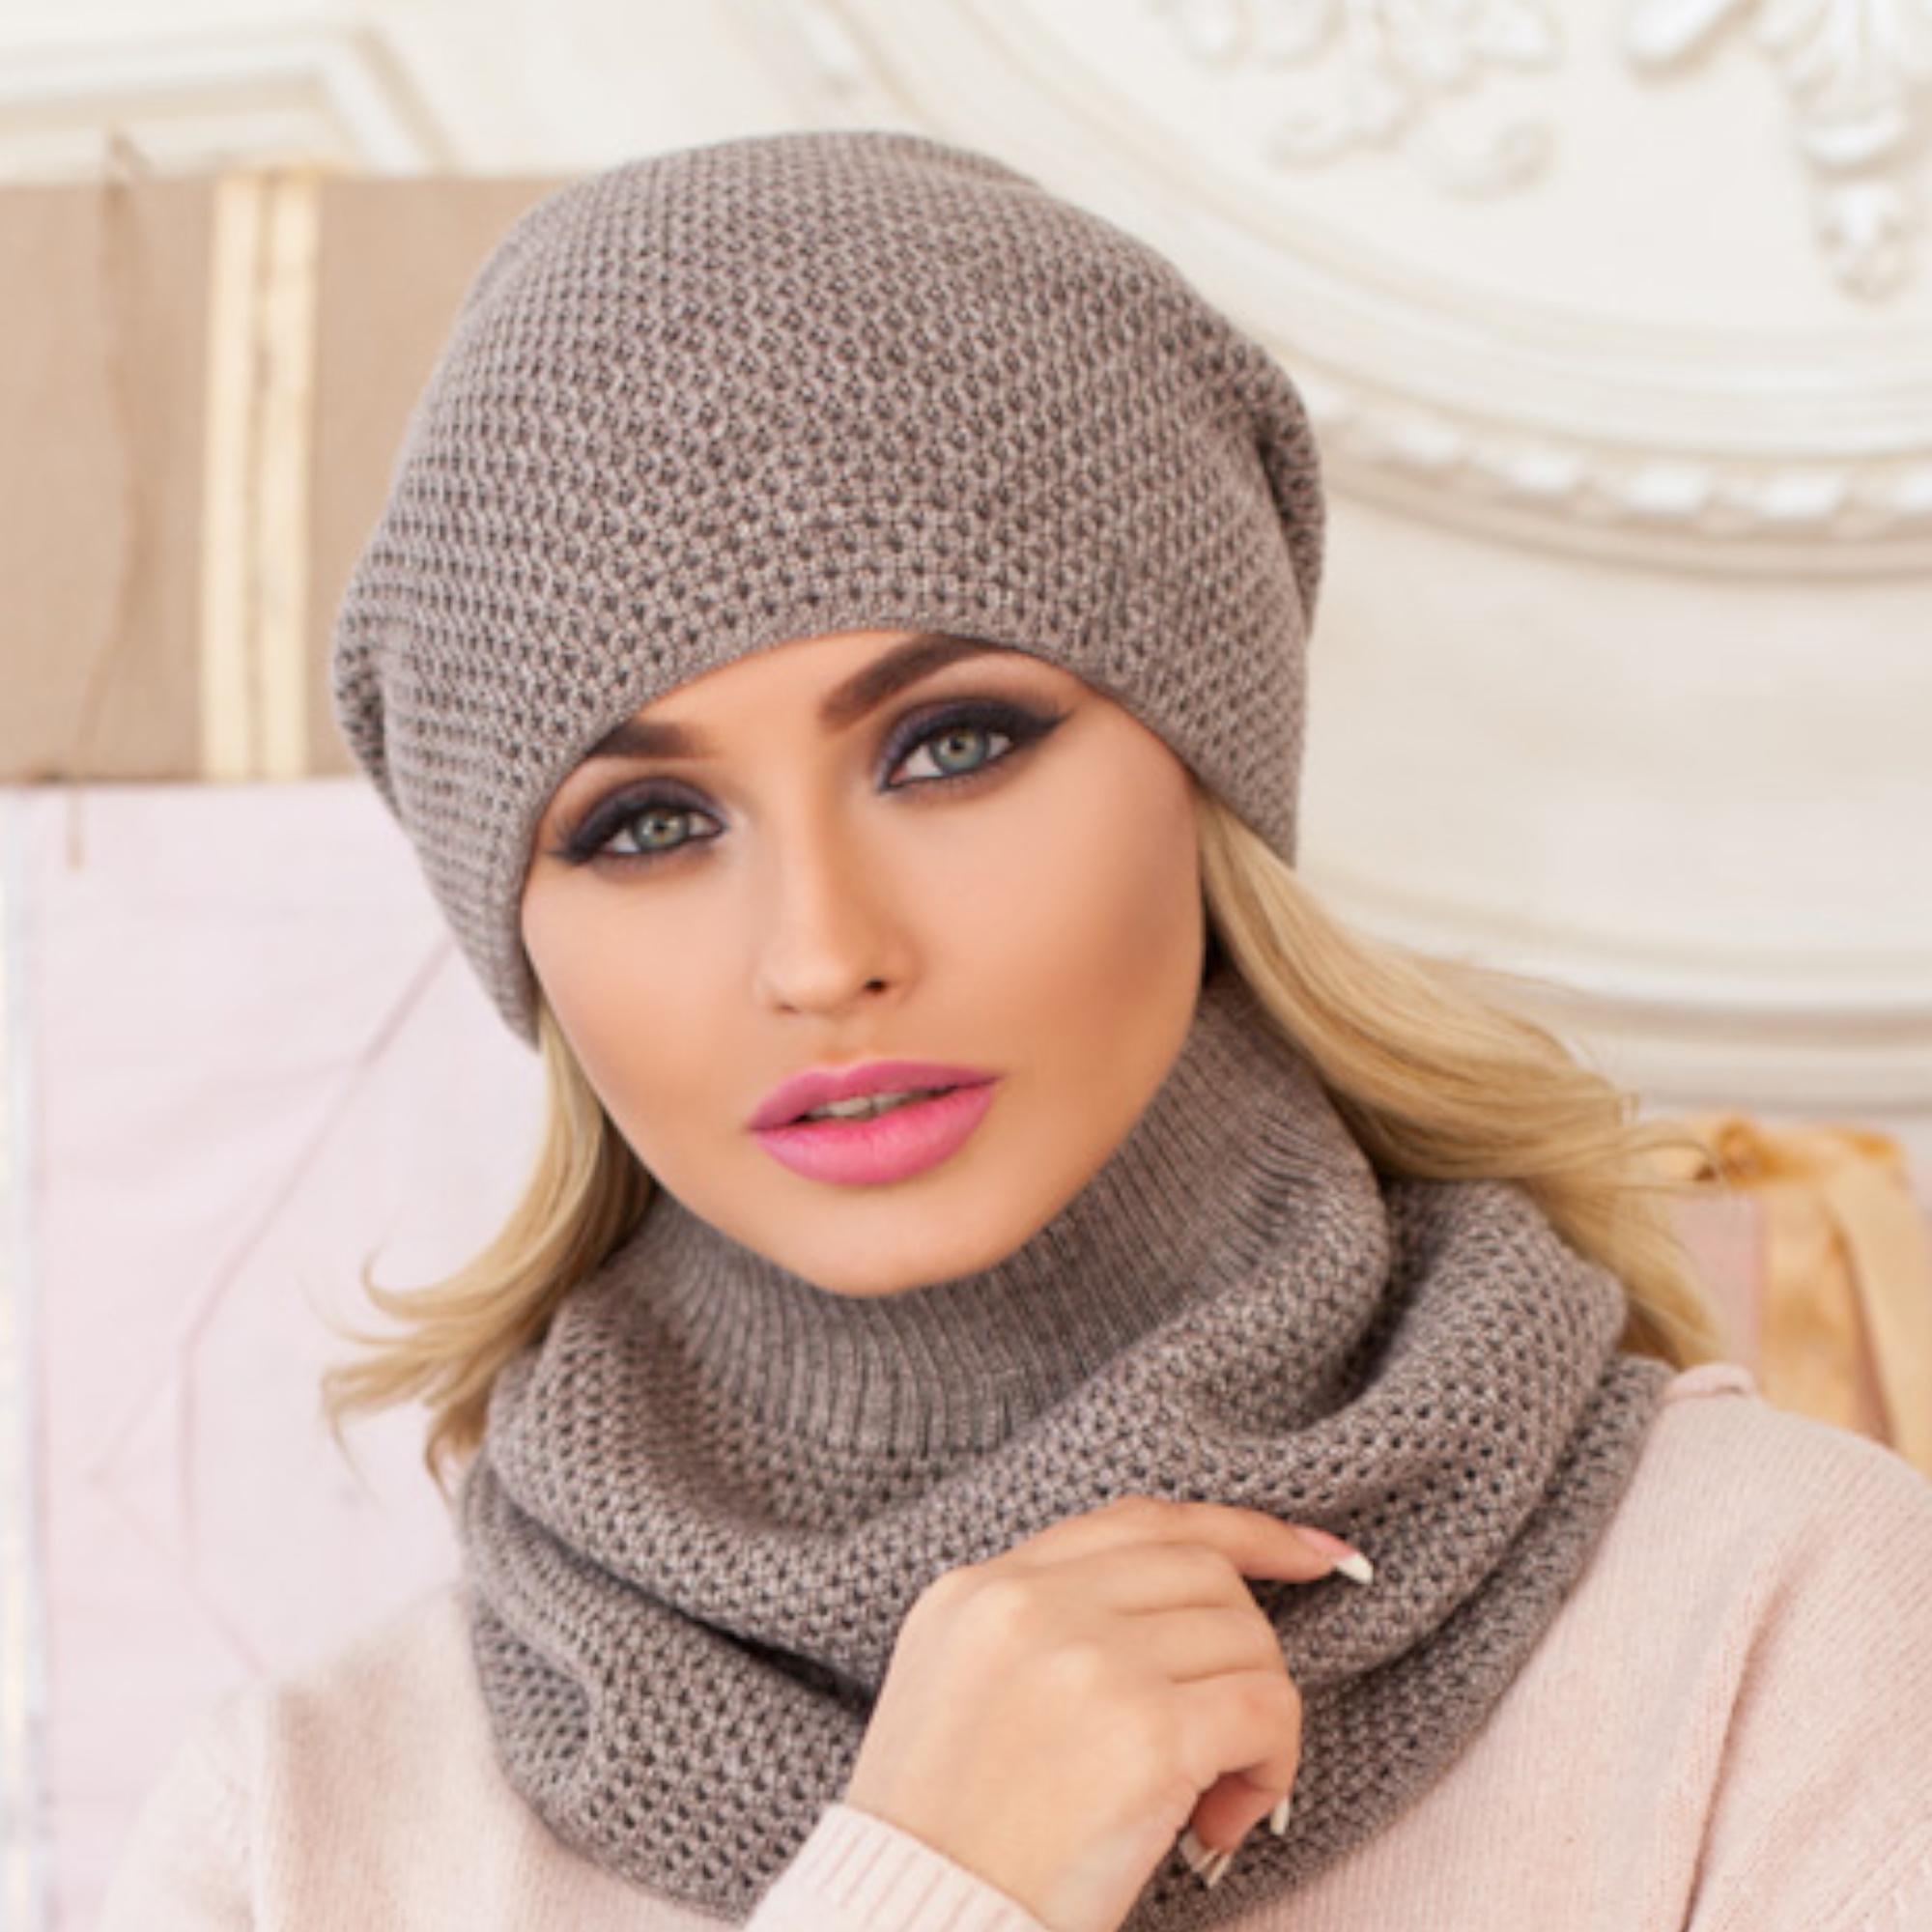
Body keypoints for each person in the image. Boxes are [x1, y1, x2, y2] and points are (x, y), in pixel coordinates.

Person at [101, 128, 1932, 1932]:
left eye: (951, 745)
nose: (824, 954)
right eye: (646, 826)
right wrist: (936, 1878)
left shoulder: (1777, 1626)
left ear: (1206, 763)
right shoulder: (299, 1835)